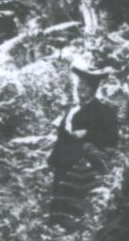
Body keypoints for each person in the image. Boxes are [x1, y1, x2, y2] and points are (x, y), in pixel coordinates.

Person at [49, 56, 120, 220]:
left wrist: (88, 134)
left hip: (84, 170)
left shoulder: (105, 112)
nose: (81, 89)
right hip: (63, 168)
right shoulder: (71, 110)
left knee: (79, 210)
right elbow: (62, 137)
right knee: (60, 210)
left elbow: (112, 139)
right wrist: (53, 159)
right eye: (79, 85)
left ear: (93, 89)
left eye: (85, 86)